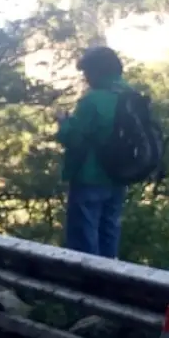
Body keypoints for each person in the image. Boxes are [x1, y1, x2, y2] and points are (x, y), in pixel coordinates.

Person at [56, 46, 130, 258]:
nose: (86, 78)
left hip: (90, 175)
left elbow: (75, 139)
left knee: (84, 238)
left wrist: (64, 124)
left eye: (87, 72)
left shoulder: (93, 100)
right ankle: (109, 280)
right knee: (110, 231)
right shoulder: (130, 95)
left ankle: (84, 282)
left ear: (98, 71)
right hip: (119, 176)